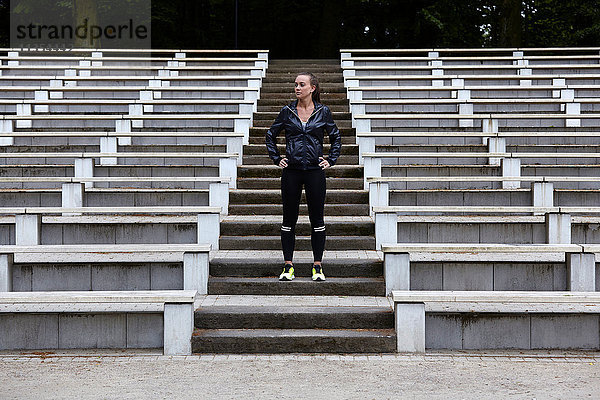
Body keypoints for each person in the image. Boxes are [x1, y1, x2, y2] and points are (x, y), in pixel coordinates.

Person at [265, 72, 342, 282]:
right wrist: (277, 158)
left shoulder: (323, 112)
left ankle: (317, 266)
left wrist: (331, 159)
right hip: (292, 172)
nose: (297, 88)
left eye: (302, 84)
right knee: (289, 220)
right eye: (296, 85)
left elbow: (336, 137)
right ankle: (288, 265)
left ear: (312, 88)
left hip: (315, 172)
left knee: (317, 220)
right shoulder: (287, 111)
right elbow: (270, 135)